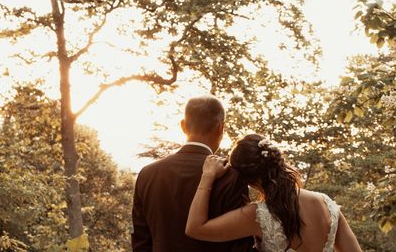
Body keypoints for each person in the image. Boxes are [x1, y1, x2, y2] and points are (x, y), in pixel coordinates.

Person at [185, 134, 363, 252]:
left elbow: (195, 228)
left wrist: (207, 176)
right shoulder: (327, 204)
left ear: (248, 180)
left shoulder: (258, 215)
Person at [132, 96, 253, 252]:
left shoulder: (147, 174)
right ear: (220, 128)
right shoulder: (231, 177)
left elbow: (141, 243)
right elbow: (239, 246)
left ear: (183, 126)